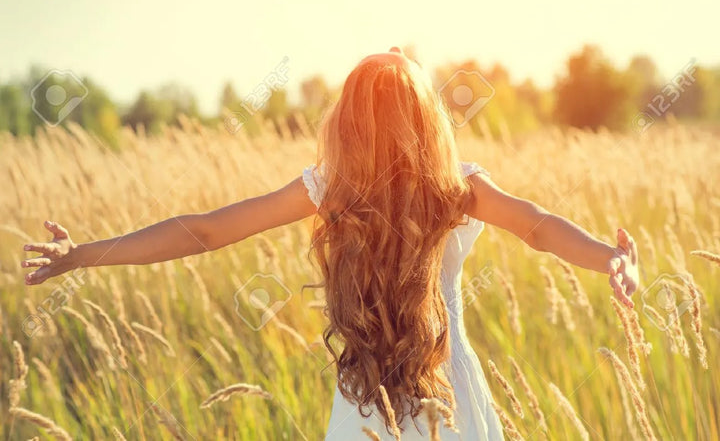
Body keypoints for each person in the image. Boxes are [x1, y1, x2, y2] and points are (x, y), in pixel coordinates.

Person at [21, 47, 639, 440]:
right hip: (449, 391)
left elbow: (204, 230)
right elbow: (538, 226)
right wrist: (611, 259)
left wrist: (84, 253)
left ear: (347, 124)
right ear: (427, 119)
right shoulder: (458, 189)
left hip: (366, 395)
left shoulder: (330, 191)